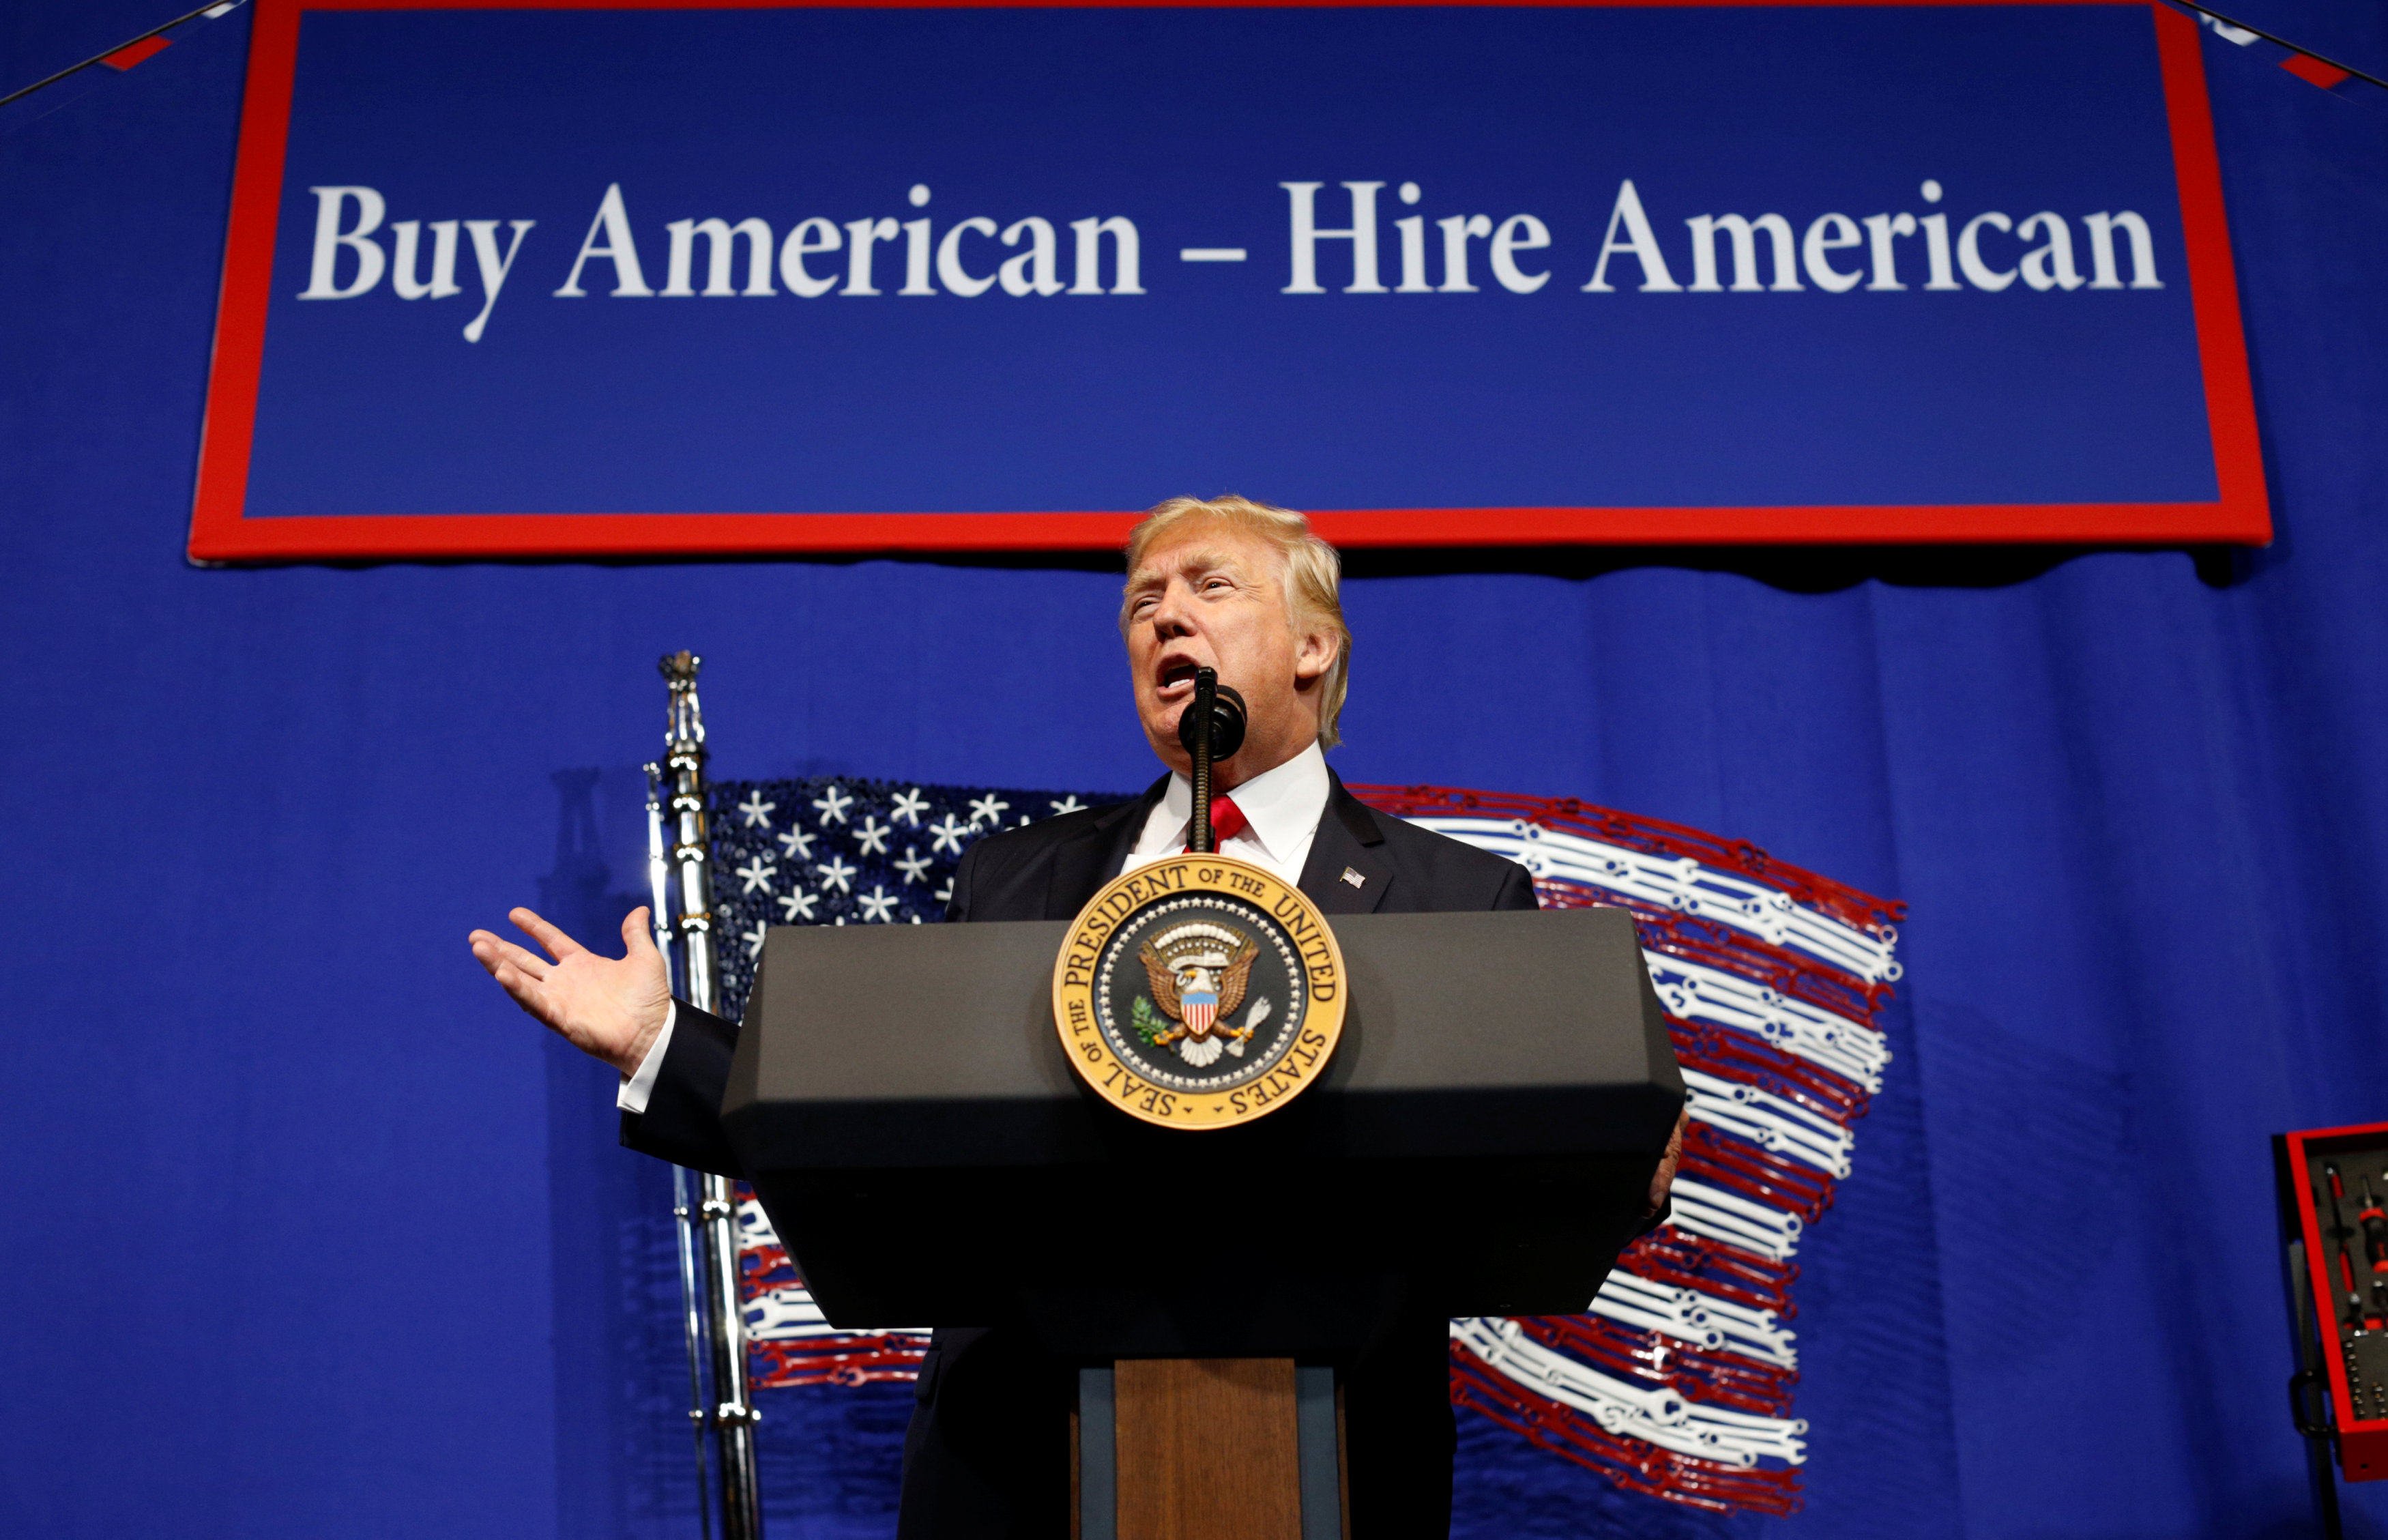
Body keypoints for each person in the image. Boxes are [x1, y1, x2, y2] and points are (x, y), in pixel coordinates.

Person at [469, 494, 1689, 1539]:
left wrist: (1622, 1151)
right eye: (1143, 599)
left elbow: (1536, 1159)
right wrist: (660, 1045)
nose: (1166, 613)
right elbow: (875, 1135)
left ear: (1315, 645)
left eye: (1211, 585)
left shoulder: (1455, 896)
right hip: (1012, 1466)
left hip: (1329, 1459)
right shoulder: (1018, 884)